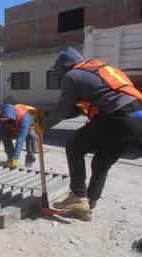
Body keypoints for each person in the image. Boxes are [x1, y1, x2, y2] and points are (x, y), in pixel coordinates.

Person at [37, 46, 142, 221]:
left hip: (118, 116)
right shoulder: (98, 69)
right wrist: (46, 115)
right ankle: (87, 207)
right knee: (101, 162)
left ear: (65, 67)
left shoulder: (72, 76)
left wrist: (42, 126)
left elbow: (62, 111)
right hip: (137, 119)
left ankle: (78, 197)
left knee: (74, 146)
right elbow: (74, 110)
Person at [0, 104, 37, 169]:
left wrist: (16, 157)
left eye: (7, 120)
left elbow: (20, 139)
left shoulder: (24, 118)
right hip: (14, 127)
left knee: (31, 136)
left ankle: (30, 158)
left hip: (27, 128)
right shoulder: (3, 117)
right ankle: (10, 157)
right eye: (4, 120)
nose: (5, 122)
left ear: (13, 116)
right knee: (4, 135)